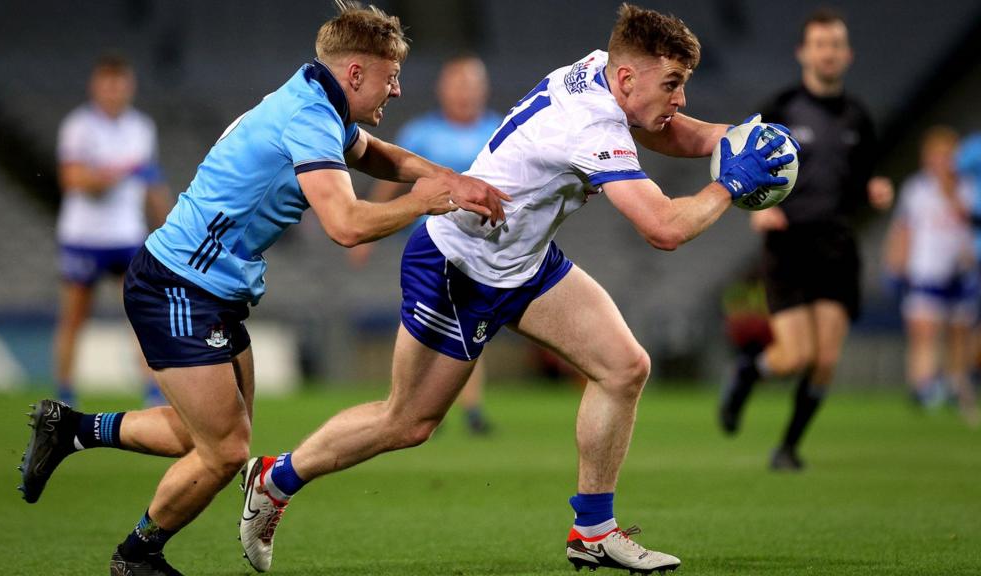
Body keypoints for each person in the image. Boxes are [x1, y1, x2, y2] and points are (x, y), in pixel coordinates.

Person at [239, 5, 794, 574]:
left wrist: (731, 137)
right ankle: (274, 478)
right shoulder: (593, 125)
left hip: (522, 261)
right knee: (407, 423)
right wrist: (730, 182)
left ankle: (593, 532)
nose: (679, 98)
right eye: (673, 84)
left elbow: (664, 126)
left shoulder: (604, 70)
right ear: (627, 79)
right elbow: (664, 228)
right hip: (459, 264)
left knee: (624, 367)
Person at [18, 3, 509, 575]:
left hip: (211, 291)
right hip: (179, 286)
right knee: (224, 451)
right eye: (390, 75)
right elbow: (346, 226)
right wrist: (427, 200)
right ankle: (136, 556)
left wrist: (444, 179)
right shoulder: (308, 116)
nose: (397, 90)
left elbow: (374, 154)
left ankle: (70, 428)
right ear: (355, 73)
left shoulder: (319, 99)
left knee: (197, 434)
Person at [717, 8, 894, 470]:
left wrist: (874, 188)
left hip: (837, 245)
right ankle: (748, 371)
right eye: (820, 43)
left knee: (825, 359)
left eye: (835, 44)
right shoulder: (780, 110)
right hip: (789, 243)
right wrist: (759, 210)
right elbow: (744, 164)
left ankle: (788, 448)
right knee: (795, 356)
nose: (828, 52)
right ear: (804, 52)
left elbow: (863, 177)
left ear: (847, 54)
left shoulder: (859, 116)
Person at [349, 54, 503, 435]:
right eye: (458, 84)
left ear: (482, 90)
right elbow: (390, 178)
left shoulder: (498, 129)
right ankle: (414, 402)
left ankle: (463, 406)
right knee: (431, 322)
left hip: (482, 245)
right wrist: (367, 227)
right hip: (431, 245)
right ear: (444, 90)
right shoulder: (422, 132)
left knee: (468, 321)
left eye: (471, 84)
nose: (465, 93)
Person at [54, 54, 171, 408]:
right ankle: (64, 394)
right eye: (108, 83)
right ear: (96, 86)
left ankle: (152, 391)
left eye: (120, 84)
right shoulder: (79, 127)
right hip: (84, 237)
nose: (114, 91)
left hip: (127, 234)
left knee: (142, 314)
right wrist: (119, 171)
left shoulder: (141, 127)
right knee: (75, 318)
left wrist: (167, 225)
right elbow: (73, 180)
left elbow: (152, 181)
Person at [885, 126, 979, 424]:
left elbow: (970, 222)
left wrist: (950, 191)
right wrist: (895, 262)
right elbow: (904, 227)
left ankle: (956, 385)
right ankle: (923, 388)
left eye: (945, 156)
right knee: (923, 331)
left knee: (959, 333)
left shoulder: (968, 187)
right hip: (926, 269)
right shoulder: (917, 188)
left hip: (961, 269)